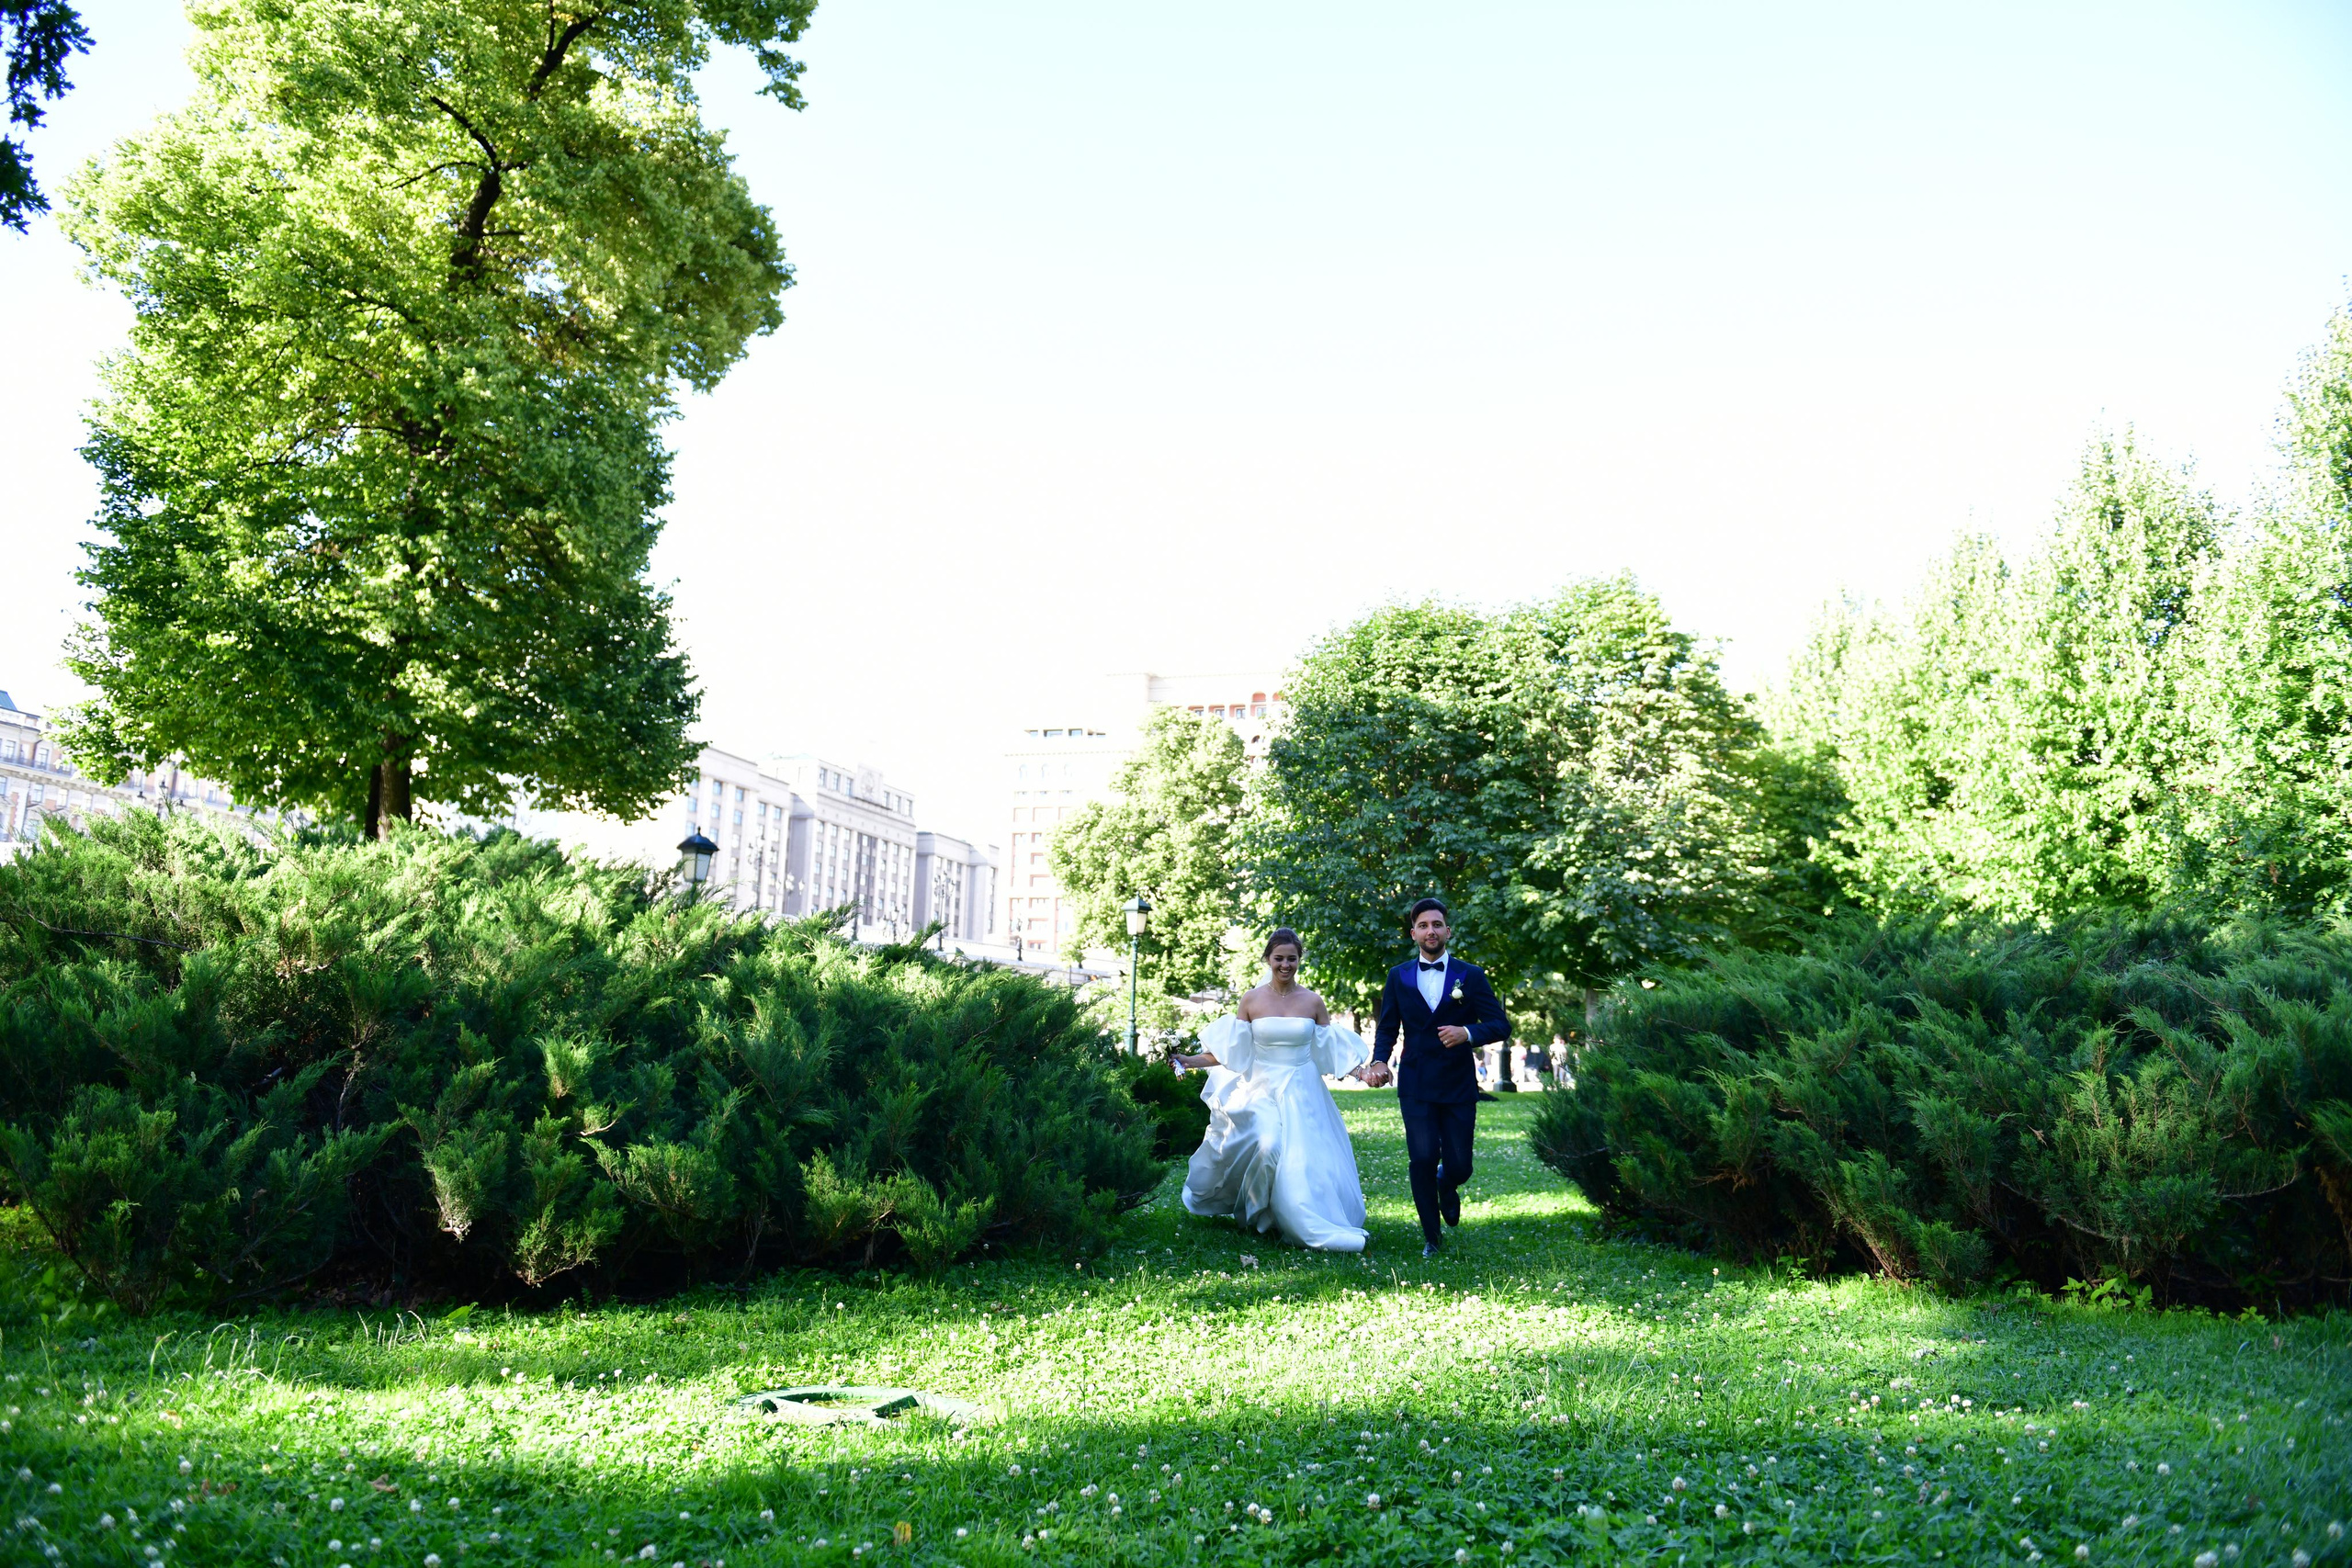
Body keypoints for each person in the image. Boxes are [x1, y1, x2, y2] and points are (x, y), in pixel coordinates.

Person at [1170, 929, 1374, 1252]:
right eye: (1279, 958)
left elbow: (1328, 1050)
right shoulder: (1251, 999)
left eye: (1292, 958)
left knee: (1301, 1161)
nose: (1285, 965)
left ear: (1299, 960)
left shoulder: (1312, 1001)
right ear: (1268, 959)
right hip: (1261, 1088)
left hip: (1303, 1090)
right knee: (1268, 1144)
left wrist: (1363, 1072)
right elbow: (1231, 1053)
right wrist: (1188, 1060)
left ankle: (1291, 1216)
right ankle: (1255, 1211)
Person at [1362, 897, 1511, 1258]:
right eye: (1424, 925)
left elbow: (1501, 1025)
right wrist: (1380, 1060)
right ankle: (1432, 1237)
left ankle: (1448, 1183)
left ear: (1448, 931)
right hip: (1416, 1082)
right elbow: (1388, 1027)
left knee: (1459, 1164)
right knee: (1423, 1157)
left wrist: (1468, 1033)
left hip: (1458, 1082)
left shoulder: (1470, 975)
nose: (1431, 930)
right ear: (1414, 934)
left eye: (1437, 924)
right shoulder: (1398, 975)